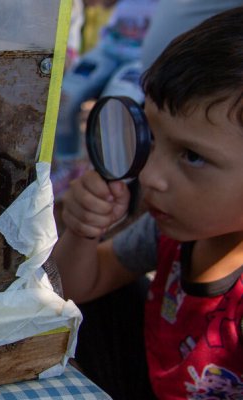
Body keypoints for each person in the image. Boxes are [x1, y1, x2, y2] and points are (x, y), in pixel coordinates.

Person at [53, 6, 243, 398]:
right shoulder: (167, 230)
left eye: (192, 155)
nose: (149, 175)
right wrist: (83, 231)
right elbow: (78, 286)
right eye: (152, 138)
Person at [52, 0, 157, 197]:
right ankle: (69, 166)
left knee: (117, 107)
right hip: (109, 49)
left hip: (144, 58)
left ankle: (106, 181)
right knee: (65, 94)